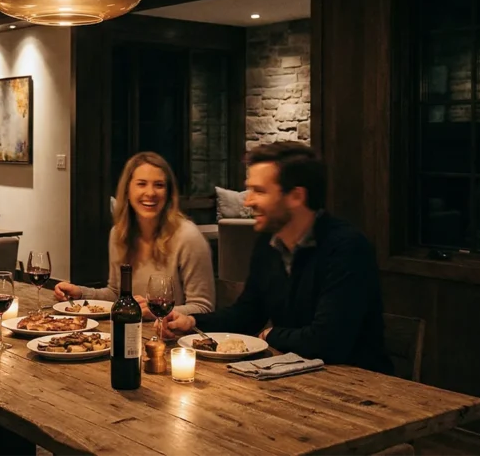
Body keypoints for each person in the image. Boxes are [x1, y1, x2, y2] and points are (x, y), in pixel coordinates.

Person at [160, 142, 392, 373]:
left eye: (259, 191)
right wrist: (193, 323)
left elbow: (329, 342)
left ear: (296, 196)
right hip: (294, 380)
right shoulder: (269, 243)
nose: (248, 201)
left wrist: (273, 334)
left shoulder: (347, 248)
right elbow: (247, 314)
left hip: (359, 389)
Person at [54, 151, 214, 318]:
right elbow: (116, 294)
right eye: (142, 184)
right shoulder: (118, 233)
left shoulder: (188, 236)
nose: (150, 193)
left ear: (168, 194)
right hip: (134, 333)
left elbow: (203, 308)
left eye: (159, 185)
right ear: (127, 191)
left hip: (172, 338)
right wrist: (81, 293)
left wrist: (157, 311)